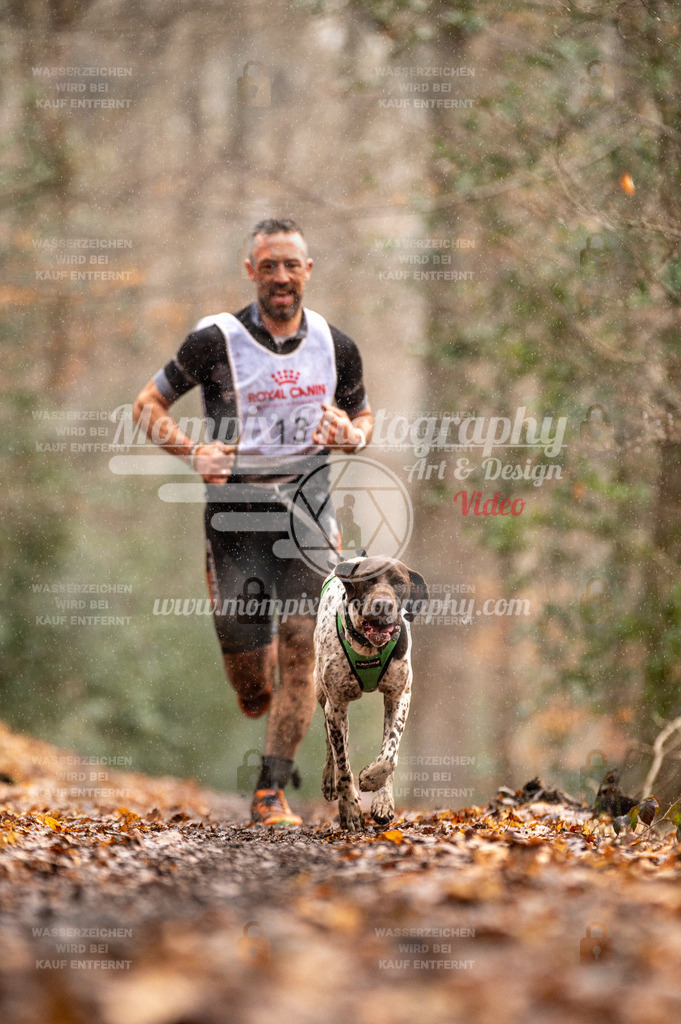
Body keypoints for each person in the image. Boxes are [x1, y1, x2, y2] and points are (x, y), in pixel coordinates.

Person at [132, 218, 374, 826]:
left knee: (301, 652)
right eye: (269, 266)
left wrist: (349, 434)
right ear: (251, 272)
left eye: (292, 265)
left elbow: (363, 419)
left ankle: (271, 791)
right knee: (249, 674)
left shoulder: (336, 345)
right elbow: (147, 405)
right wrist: (193, 452)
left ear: (308, 270)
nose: (282, 278)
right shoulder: (214, 341)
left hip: (309, 519)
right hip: (235, 520)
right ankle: (251, 682)